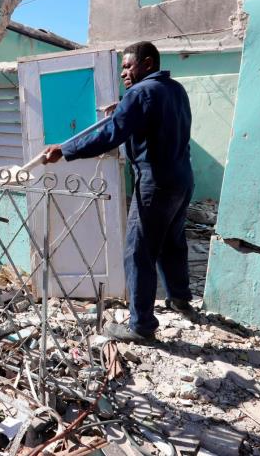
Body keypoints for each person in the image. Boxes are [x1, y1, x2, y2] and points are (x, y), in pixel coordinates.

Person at [43, 41, 194, 343]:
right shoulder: (175, 90)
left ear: (147, 64)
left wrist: (66, 150)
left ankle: (141, 326)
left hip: (155, 182)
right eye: (123, 68)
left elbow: (112, 135)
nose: (123, 73)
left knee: (139, 252)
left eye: (128, 66)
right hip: (182, 178)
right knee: (172, 242)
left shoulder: (140, 93)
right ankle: (180, 299)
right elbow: (148, 119)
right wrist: (123, 109)